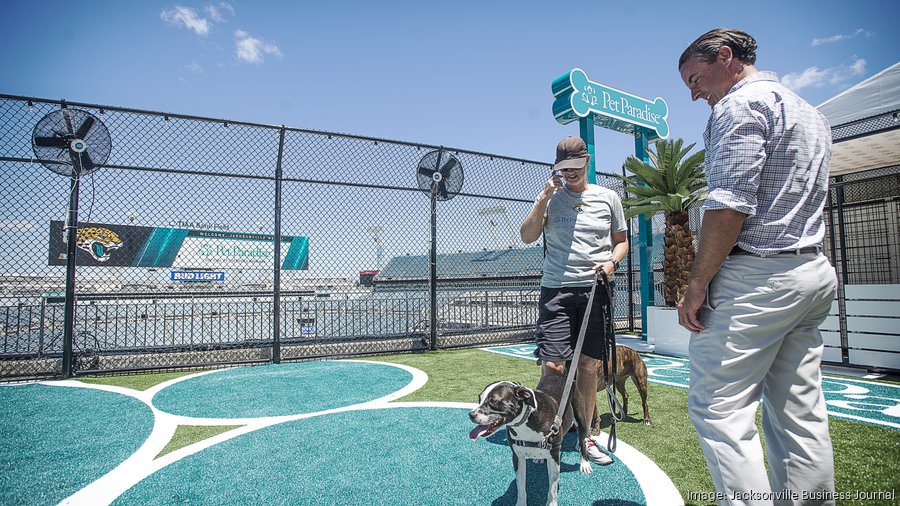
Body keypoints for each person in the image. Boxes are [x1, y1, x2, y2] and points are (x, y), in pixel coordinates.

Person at [677, 28, 838, 505]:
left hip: (757, 280)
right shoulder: (811, 113)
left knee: (718, 409)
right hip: (812, 271)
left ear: (725, 58)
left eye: (695, 78)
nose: (693, 92)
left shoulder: (739, 106)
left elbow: (729, 206)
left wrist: (697, 282)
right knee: (799, 412)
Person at [520, 135, 629, 466]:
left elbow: (621, 242)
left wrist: (611, 264)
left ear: (587, 163)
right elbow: (526, 236)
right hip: (556, 291)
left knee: (586, 365)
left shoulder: (609, 198)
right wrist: (542, 199)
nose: (569, 174)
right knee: (552, 366)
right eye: (563, 169)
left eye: (574, 167)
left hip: (595, 290)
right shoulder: (551, 200)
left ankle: (588, 434)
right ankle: (542, 429)